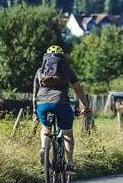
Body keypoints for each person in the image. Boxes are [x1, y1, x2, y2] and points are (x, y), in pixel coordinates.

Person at [32, 45, 91, 173]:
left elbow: (34, 94)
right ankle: (69, 163)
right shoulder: (66, 69)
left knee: (45, 129)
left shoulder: (40, 71)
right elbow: (78, 90)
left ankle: (44, 148)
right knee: (67, 134)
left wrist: (34, 110)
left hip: (42, 104)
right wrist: (86, 106)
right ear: (61, 57)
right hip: (61, 103)